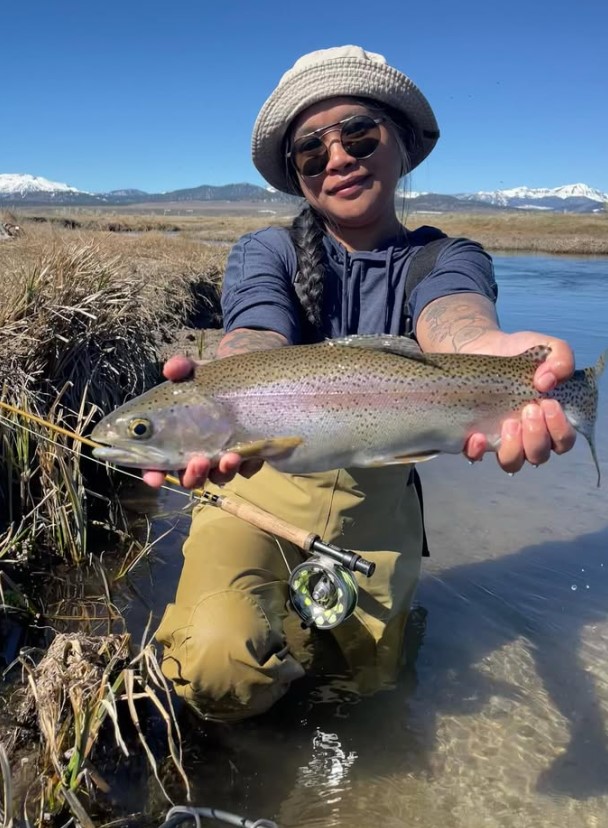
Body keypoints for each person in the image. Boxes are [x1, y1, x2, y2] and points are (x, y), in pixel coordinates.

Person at [148, 45, 576, 721]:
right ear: (295, 175)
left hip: (379, 504)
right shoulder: (268, 251)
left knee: (369, 693)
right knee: (216, 666)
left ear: (401, 144)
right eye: (311, 151)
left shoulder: (446, 256)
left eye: (357, 134)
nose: (337, 158)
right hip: (254, 482)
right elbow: (255, 334)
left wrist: (505, 360)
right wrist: (223, 384)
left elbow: (456, 321)